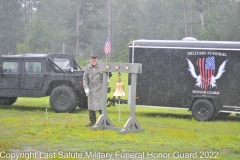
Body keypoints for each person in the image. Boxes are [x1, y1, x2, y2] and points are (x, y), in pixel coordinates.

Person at [83, 54, 103, 127]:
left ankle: (103, 121)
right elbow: (85, 78)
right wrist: (86, 88)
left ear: (97, 60)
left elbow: (107, 75)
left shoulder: (101, 66)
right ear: (90, 60)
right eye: (92, 60)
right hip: (91, 88)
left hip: (99, 88)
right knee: (91, 106)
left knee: (100, 105)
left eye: (95, 60)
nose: (94, 61)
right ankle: (92, 121)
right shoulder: (88, 67)